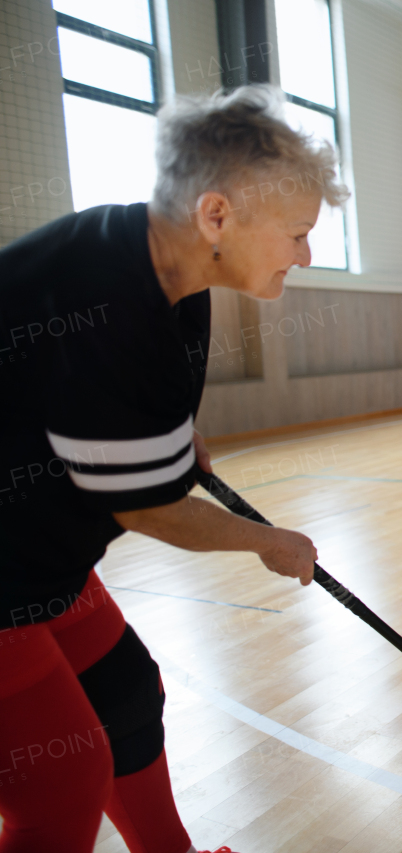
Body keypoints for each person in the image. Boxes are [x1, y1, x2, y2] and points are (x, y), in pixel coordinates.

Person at [0, 85, 341, 853]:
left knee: (123, 694)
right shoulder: (108, 298)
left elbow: (139, 424)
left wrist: (171, 444)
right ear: (217, 215)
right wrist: (266, 539)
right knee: (61, 778)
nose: (306, 255)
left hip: (38, 555)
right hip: (7, 575)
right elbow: (147, 508)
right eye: (296, 233)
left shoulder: (170, 273)